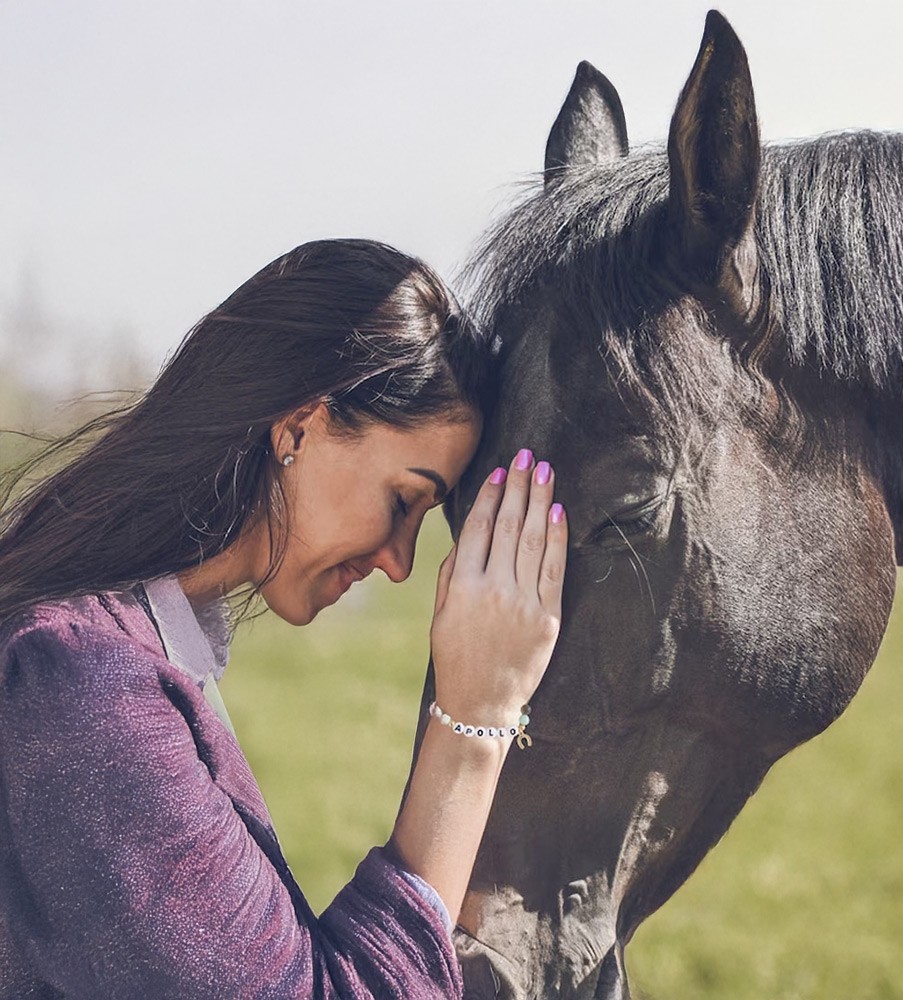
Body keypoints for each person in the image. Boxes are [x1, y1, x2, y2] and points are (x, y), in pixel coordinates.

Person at [0, 239, 567, 999]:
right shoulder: (85, 696)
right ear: (299, 427)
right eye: (403, 501)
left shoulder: (119, 653)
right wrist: (475, 719)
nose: (399, 562)